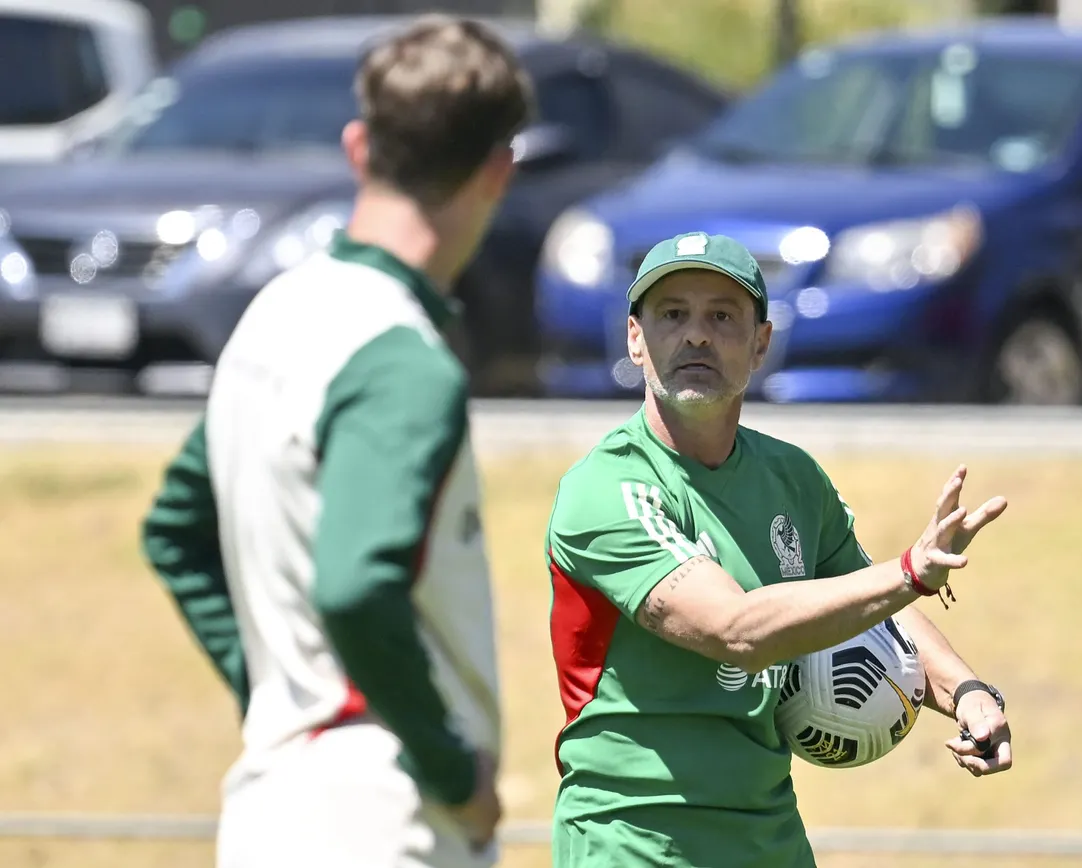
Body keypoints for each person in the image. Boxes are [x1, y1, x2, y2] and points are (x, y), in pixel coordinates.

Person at [139, 16, 534, 868]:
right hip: (384, 819)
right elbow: (356, 586)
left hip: (267, 812)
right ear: (498, 174)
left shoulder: (273, 315)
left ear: (359, 148)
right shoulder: (404, 363)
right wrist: (451, 769)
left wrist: (280, 694)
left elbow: (174, 534)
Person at [544, 231, 1014, 868]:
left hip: (769, 841)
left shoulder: (791, 478)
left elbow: (875, 605)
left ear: (761, 343)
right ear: (636, 336)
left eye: (721, 316)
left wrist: (967, 692)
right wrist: (907, 572)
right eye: (672, 314)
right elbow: (736, 631)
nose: (696, 335)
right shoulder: (607, 488)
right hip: (634, 842)